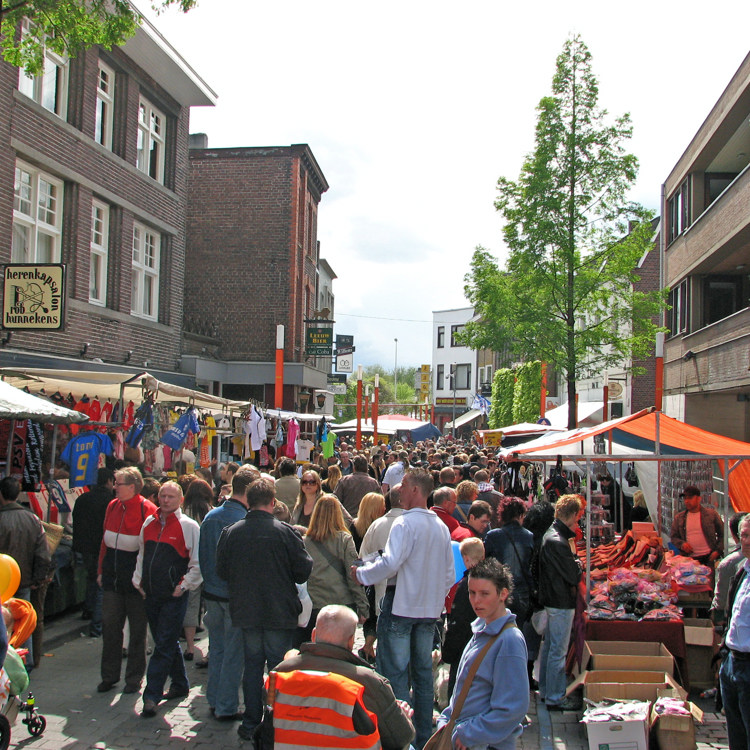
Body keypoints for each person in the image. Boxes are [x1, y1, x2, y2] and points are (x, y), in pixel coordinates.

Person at [352, 468, 454, 748]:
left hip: (402, 606)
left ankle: (401, 738)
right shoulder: (440, 526)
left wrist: (361, 575)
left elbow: (390, 563)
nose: (399, 488)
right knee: (422, 674)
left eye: (404, 484)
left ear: (415, 490)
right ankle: (422, 737)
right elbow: (448, 574)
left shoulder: (405, 523)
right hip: (428, 611)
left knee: (396, 674)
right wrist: (433, 595)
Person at [216, 478, 313, 741]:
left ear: (248, 502)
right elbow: (304, 569)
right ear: (272, 502)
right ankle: (277, 722)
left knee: (253, 666)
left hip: (247, 609)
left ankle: (251, 721)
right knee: (278, 669)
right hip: (278, 611)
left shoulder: (232, 532)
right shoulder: (285, 532)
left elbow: (221, 571)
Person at [275, 604, 416, 750]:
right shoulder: (368, 681)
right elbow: (402, 738)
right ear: (351, 641)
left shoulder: (281, 672)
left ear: (313, 634)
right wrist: (403, 716)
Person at [436, 558, 529, 750]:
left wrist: (468, 733)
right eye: (472, 593)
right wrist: (447, 721)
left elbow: (512, 708)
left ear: (503, 594)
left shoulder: (509, 640)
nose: (476, 600)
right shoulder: (481, 628)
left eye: (484, 594)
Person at [133, 481, 202, 718]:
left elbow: (197, 563)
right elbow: (142, 554)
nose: (165, 500)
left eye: (171, 496)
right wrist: (138, 581)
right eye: (162, 495)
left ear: (180, 500)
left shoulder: (189, 526)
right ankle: (181, 683)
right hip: (152, 593)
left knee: (162, 644)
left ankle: (151, 695)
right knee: (166, 639)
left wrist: (182, 586)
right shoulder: (149, 523)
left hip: (173, 596)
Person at [199, 465, 257, 721]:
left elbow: (202, 558)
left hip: (212, 593)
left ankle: (215, 699)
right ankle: (226, 705)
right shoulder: (242, 522)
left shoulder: (211, 517)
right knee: (233, 653)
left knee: (219, 650)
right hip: (232, 596)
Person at [97, 467, 158, 694]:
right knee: (110, 627)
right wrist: (101, 570)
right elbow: (105, 542)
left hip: (136, 582)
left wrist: (145, 581)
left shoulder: (147, 509)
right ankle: (109, 676)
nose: (114, 487)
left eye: (118, 483)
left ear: (132, 487)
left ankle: (133, 679)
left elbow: (151, 549)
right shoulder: (112, 506)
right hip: (113, 578)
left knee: (138, 631)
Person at [297, 494, 369, 647]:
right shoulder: (345, 539)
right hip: (341, 602)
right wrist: (363, 606)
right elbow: (353, 575)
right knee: (340, 651)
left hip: (314, 604)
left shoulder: (304, 542)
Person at [538, 494, 583, 711]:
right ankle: (555, 697)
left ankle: (547, 691)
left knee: (550, 648)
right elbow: (572, 575)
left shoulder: (553, 535)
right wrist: (578, 563)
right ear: (573, 514)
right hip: (560, 601)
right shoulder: (557, 541)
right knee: (558, 650)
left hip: (553, 599)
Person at [0, 476, 51, 667]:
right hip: (25, 581)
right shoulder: (32, 519)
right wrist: (38, 578)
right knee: (24, 622)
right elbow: (43, 554)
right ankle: (25, 661)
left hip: (3, 583)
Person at [358, 483, 406, 664]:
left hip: (383, 594)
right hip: (412, 598)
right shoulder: (418, 524)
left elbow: (363, 558)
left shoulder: (377, 525)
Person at [719, 513, 750, 750]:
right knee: (736, 733)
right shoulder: (741, 569)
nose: (747, 541)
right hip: (732, 661)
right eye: (744, 535)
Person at [72, 467, 115, 637]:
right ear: (109, 481)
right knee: (100, 584)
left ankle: (87, 610)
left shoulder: (82, 498)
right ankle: (96, 625)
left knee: (91, 577)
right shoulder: (110, 501)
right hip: (100, 547)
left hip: (83, 547)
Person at [442, 537, 485, 698]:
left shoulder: (467, 586)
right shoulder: (491, 583)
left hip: (465, 651)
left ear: (466, 559)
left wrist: (449, 652)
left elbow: (458, 623)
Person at [484, 498, 535, 630]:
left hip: (498, 592)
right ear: (520, 515)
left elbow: (486, 564)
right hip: (522, 594)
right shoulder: (528, 536)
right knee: (517, 631)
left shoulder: (493, 536)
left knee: (497, 630)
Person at [181, 478, 213, 661]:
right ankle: (211, 645)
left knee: (191, 604)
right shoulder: (210, 512)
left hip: (189, 562)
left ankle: (190, 646)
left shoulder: (184, 512)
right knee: (210, 607)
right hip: (207, 562)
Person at [712, 513, 747, 633]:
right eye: (745, 536)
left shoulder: (729, 563)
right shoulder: (739, 565)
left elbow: (721, 598)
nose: (747, 541)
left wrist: (717, 614)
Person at [670, 486, 724, 565]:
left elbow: (722, 534)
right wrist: (682, 544)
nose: (687, 501)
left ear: (699, 499)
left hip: (708, 557)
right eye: (685, 498)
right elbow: (674, 537)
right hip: (688, 559)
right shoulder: (679, 518)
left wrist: (718, 551)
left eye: (690, 498)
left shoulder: (711, 515)